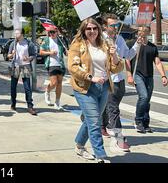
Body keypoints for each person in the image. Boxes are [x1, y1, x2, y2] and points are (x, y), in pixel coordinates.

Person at [68, 18, 124, 163]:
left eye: (94, 28)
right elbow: (73, 67)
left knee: (91, 119)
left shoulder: (104, 45)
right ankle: (101, 156)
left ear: (99, 30)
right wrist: (90, 77)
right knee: (95, 122)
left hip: (104, 87)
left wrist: (114, 54)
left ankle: (79, 146)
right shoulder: (77, 45)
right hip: (85, 88)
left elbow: (116, 68)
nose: (92, 31)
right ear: (83, 30)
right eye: (88, 29)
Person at [100, 14, 141, 152]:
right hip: (107, 80)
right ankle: (119, 139)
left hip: (119, 80)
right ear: (105, 26)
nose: (116, 27)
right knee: (114, 110)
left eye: (117, 25)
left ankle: (101, 123)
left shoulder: (120, 39)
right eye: (113, 25)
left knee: (109, 107)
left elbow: (128, 55)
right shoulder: (100, 39)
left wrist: (138, 43)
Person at [126, 26, 168, 133]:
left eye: (144, 30)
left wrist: (163, 76)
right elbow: (127, 60)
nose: (141, 32)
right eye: (139, 30)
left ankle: (145, 123)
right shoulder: (132, 44)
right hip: (137, 74)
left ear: (148, 32)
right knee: (143, 97)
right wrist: (129, 75)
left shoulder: (152, 47)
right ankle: (138, 121)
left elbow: (157, 62)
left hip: (149, 76)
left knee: (147, 101)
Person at [7, 29, 37, 115]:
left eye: (17, 33)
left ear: (22, 34)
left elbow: (33, 55)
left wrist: (28, 58)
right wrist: (12, 55)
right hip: (15, 66)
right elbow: (8, 56)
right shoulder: (13, 43)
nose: (16, 34)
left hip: (26, 66)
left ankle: (30, 106)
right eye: (15, 33)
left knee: (27, 87)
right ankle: (13, 104)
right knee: (13, 86)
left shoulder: (28, 43)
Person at [40, 27, 67, 110]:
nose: (51, 33)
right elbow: (41, 52)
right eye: (50, 32)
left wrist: (67, 51)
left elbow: (65, 52)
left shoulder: (61, 41)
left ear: (57, 32)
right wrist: (50, 53)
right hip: (51, 64)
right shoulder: (46, 40)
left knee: (59, 83)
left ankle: (57, 102)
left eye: (53, 32)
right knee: (54, 83)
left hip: (61, 64)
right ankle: (47, 91)